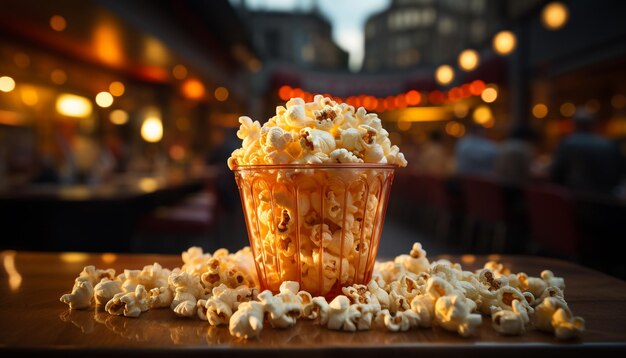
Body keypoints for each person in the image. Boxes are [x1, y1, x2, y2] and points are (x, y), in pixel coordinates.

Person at [549, 108, 623, 196]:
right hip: (604, 197)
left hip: (575, 196)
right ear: (593, 125)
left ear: (575, 124)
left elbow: (556, 172)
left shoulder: (568, 143)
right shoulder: (607, 144)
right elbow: (618, 172)